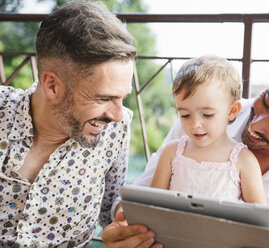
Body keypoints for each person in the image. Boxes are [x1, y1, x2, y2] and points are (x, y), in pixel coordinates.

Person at [103, 54, 269, 248]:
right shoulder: (205, 115)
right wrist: (126, 230)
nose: (256, 124)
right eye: (266, 101)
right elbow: (143, 198)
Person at [0, 1, 158, 247]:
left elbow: (112, 203)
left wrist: (125, 224)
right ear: (52, 85)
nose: (118, 115)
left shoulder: (118, 127)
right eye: (104, 98)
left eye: (122, 98)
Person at [150, 56, 267, 204]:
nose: (195, 124)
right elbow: (153, 205)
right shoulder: (171, 153)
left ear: (232, 110)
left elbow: (259, 218)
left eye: (207, 115)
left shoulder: (244, 160)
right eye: (185, 115)